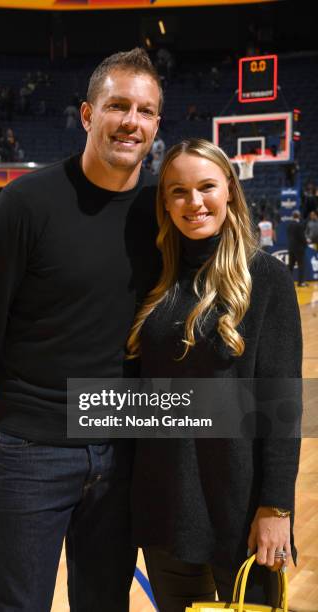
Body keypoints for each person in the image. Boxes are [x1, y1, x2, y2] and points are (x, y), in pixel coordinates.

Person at [0, 48, 162, 612]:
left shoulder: (164, 209)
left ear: (157, 125)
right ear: (88, 115)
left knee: (103, 603)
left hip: (123, 449)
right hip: (32, 449)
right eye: (118, 106)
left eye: (145, 111)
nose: (131, 121)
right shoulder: (25, 203)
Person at [128, 139, 302, 610]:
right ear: (164, 202)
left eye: (206, 186)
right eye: (178, 191)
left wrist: (276, 507)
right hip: (167, 501)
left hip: (242, 507)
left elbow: (282, 407)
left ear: (230, 191)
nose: (194, 202)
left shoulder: (265, 278)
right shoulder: (157, 279)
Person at [287, 210, 308, 287]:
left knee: (290, 266)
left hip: (291, 248)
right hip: (299, 248)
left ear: (293, 216)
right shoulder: (299, 225)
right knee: (301, 265)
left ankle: (288, 283)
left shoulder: (289, 225)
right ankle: (301, 282)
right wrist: (305, 244)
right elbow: (302, 237)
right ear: (299, 216)